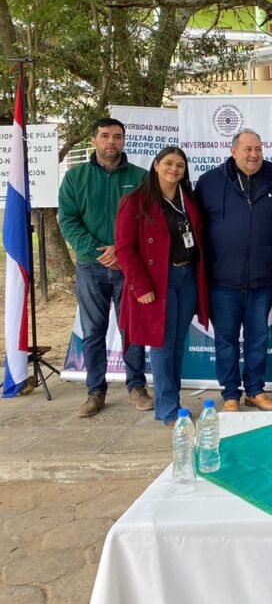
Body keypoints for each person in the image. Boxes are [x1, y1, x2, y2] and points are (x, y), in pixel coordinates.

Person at [58, 117, 150, 417]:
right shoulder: (75, 177)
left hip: (129, 269)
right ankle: (95, 391)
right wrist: (97, 252)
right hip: (91, 267)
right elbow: (68, 220)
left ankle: (137, 387)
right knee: (93, 331)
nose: (112, 141)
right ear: (94, 140)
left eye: (118, 136)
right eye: (105, 136)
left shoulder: (140, 177)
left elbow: (149, 220)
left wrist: (121, 251)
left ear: (124, 141)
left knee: (131, 330)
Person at [195, 129, 272, 412]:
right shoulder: (210, 182)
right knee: (226, 340)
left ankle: (256, 390)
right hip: (223, 280)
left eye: (258, 149)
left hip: (262, 280)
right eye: (248, 149)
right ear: (233, 151)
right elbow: (197, 228)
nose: (254, 154)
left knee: (258, 338)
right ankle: (231, 394)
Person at [114, 147, 210, 426]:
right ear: (155, 165)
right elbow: (124, 249)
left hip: (187, 278)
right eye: (168, 163)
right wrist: (141, 285)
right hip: (158, 282)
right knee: (162, 346)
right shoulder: (134, 202)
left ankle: (174, 402)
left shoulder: (188, 200)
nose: (174, 169)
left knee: (178, 344)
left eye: (180, 165)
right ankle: (167, 410)